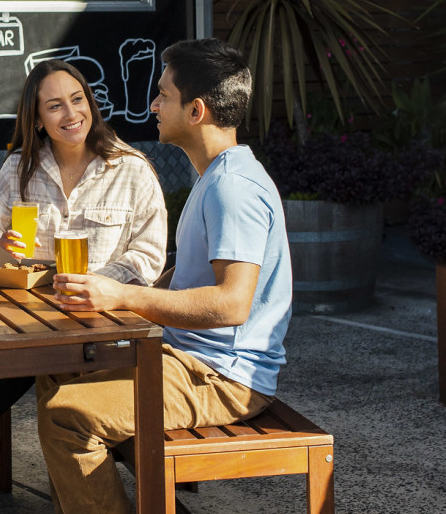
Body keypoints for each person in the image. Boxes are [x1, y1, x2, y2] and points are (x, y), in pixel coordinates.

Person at [36, 38, 293, 514]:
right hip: (188, 357)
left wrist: (122, 296)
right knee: (58, 366)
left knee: (65, 418)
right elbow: (197, 270)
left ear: (196, 111)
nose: (152, 104)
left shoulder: (231, 189)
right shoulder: (216, 175)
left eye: (163, 95)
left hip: (220, 376)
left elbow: (232, 303)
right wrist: (143, 289)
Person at [0, 58, 167, 473]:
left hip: (105, 317)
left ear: (91, 105)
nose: (71, 113)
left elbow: (148, 257)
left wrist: (98, 283)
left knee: (43, 346)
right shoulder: (21, 166)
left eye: (77, 100)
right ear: (38, 119)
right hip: (30, 310)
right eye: (55, 106)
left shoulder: (132, 170)